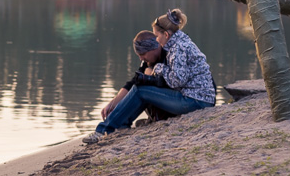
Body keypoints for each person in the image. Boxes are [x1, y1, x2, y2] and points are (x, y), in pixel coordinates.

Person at [84, 8, 216, 144]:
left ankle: (105, 130)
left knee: (141, 91)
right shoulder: (178, 43)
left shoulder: (178, 48)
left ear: (165, 34)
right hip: (198, 99)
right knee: (142, 87)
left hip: (195, 101)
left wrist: (157, 68)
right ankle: (119, 125)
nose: (156, 40)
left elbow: (178, 81)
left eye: (156, 36)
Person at [101, 31, 173, 125]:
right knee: (140, 82)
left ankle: (113, 124)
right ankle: (121, 122)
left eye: (142, 54)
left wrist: (151, 74)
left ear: (154, 48)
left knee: (143, 86)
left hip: (174, 103)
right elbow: (134, 82)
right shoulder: (147, 62)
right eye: (139, 55)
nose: (141, 58)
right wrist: (113, 103)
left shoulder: (171, 57)